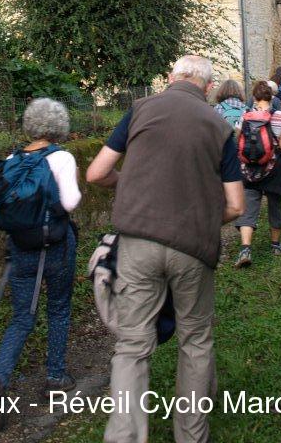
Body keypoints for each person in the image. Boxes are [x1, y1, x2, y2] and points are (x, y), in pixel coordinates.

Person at [86, 56, 245, 443]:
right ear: (208, 87)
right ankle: (191, 436)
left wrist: (130, 185)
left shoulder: (140, 109)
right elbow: (237, 206)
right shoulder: (220, 126)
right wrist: (200, 219)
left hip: (137, 243)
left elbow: (96, 173)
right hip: (193, 247)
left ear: (170, 78)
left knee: (132, 345)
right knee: (196, 340)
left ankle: (123, 437)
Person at [0, 99, 82, 431]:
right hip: (56, 247)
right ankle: (56, 376)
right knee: (58, 308)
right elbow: (70, 202)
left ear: (30, 125)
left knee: (22, 318)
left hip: (20, 250)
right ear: (59, 127)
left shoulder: (11, 161)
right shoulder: (62, 158)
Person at [234, 81, 281, 268]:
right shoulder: (278, 116)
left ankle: (245, 249)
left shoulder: (245, 115)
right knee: (275, 205)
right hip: (273, 169)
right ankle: (275, 245)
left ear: (254, 97)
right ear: (271, 97)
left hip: (249, 170)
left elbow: (238, 139)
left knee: (249, 206)